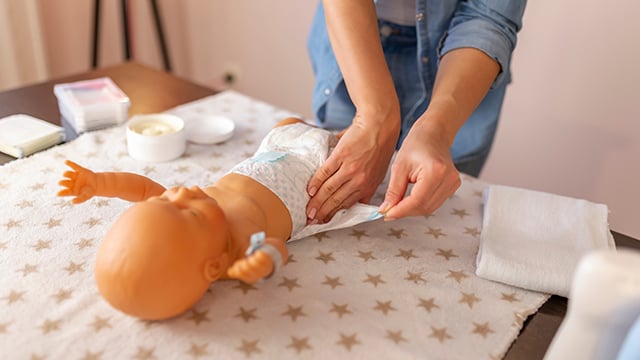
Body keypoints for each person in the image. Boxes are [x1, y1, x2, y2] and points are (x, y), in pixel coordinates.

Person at [57, 117, 381, 321]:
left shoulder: (177, 214)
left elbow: (141, 187)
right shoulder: (235, 252)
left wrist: (99, 182)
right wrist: (260, 264)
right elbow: (274, 249)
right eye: (193, 213)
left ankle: (340, 129)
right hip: (313, 179)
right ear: (213, 266)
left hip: (267, 157)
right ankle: (355, 131)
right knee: (352, 160)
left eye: (167, 199)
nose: (182, 193)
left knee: (287, 124)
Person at [305, 0, 527, 224]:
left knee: (434, 211)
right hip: (353, 44)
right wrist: (373, 116)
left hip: (462, 66)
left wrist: (436, 130)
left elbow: (488, 17)